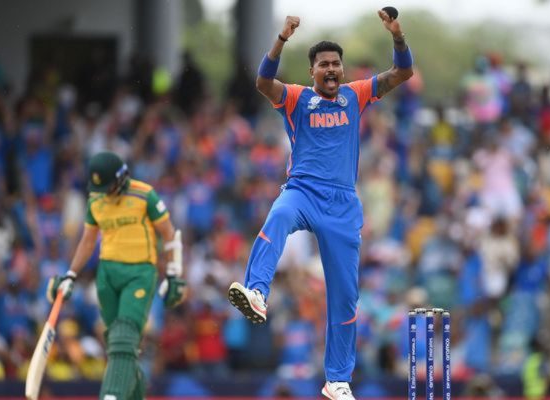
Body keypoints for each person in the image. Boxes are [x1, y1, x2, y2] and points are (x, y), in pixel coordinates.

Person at [227, 10, 414, 400]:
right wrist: (281, 38)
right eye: (323, 65)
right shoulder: (296, 97)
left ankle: (337, 380)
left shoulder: (356, 93)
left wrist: (396, 35)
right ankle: (257, 292)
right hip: (303, 192)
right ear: (312, 71)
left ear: (342, 70)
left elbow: (403, 74)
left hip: (342, 205)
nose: (331, 69)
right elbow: (262, 81)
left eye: (336, 64)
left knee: (345, 295)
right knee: (277, 215)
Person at [46, 151, 187, 400]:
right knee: (117, 345)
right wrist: (70, 275)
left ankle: (111, 395)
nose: (104, 191)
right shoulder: (96, 200)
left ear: (121, 178)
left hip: (140, 271)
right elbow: (87, 242)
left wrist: (174, 274)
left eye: (108, 185)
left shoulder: (144, 194)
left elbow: (168, 233)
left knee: (125, 335)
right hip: (107, 274)